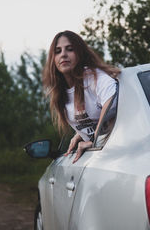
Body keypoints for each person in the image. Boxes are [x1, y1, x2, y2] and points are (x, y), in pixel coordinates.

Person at [43, 30, 120, 163]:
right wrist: (81, 133)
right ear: (53, 59)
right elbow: (92, 117)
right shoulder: (60, 93)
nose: (63, 55)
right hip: (99, 159)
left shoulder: (94, 77)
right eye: (58, 51)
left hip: (117, 153)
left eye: (70, 49)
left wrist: (93, 140)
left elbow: (113, 101)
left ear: (79, 53)